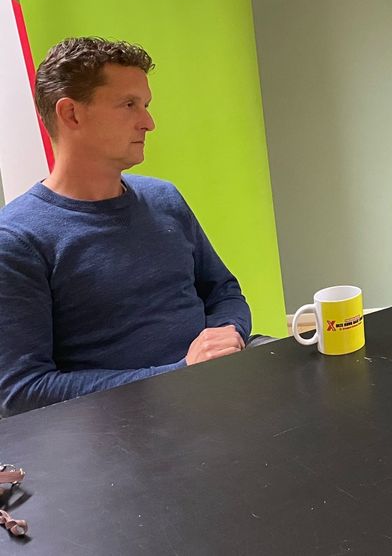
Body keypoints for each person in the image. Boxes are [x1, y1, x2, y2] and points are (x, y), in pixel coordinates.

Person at [0, 37, 251, 417]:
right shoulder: (17, 240)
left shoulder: (164, 198)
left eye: (145, 105)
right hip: (124, 433)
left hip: (215, 391)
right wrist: (179, 375)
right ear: (71, 114)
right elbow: (23, 391)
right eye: (129, 105)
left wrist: (229, 333)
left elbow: (223, 290)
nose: (148, 122)